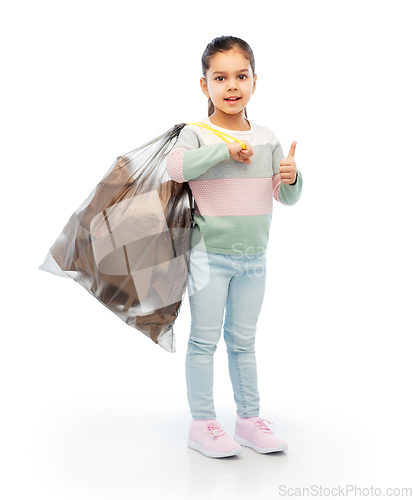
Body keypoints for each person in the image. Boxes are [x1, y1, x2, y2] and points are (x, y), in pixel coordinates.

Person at [166, 36, 303, 459]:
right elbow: (175, 168)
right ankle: (203, 423)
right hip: (209, 257)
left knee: (243, 341)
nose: (231, 85)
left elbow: (286, 198)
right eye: (220, 77)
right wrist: (220, 151)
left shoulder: (266, 137)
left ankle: (248, 421)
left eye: (240, 76)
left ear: (254, 82)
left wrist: (292, 176)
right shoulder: (197, 133)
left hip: (254, 259)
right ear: (204, 85)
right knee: (204, 340)